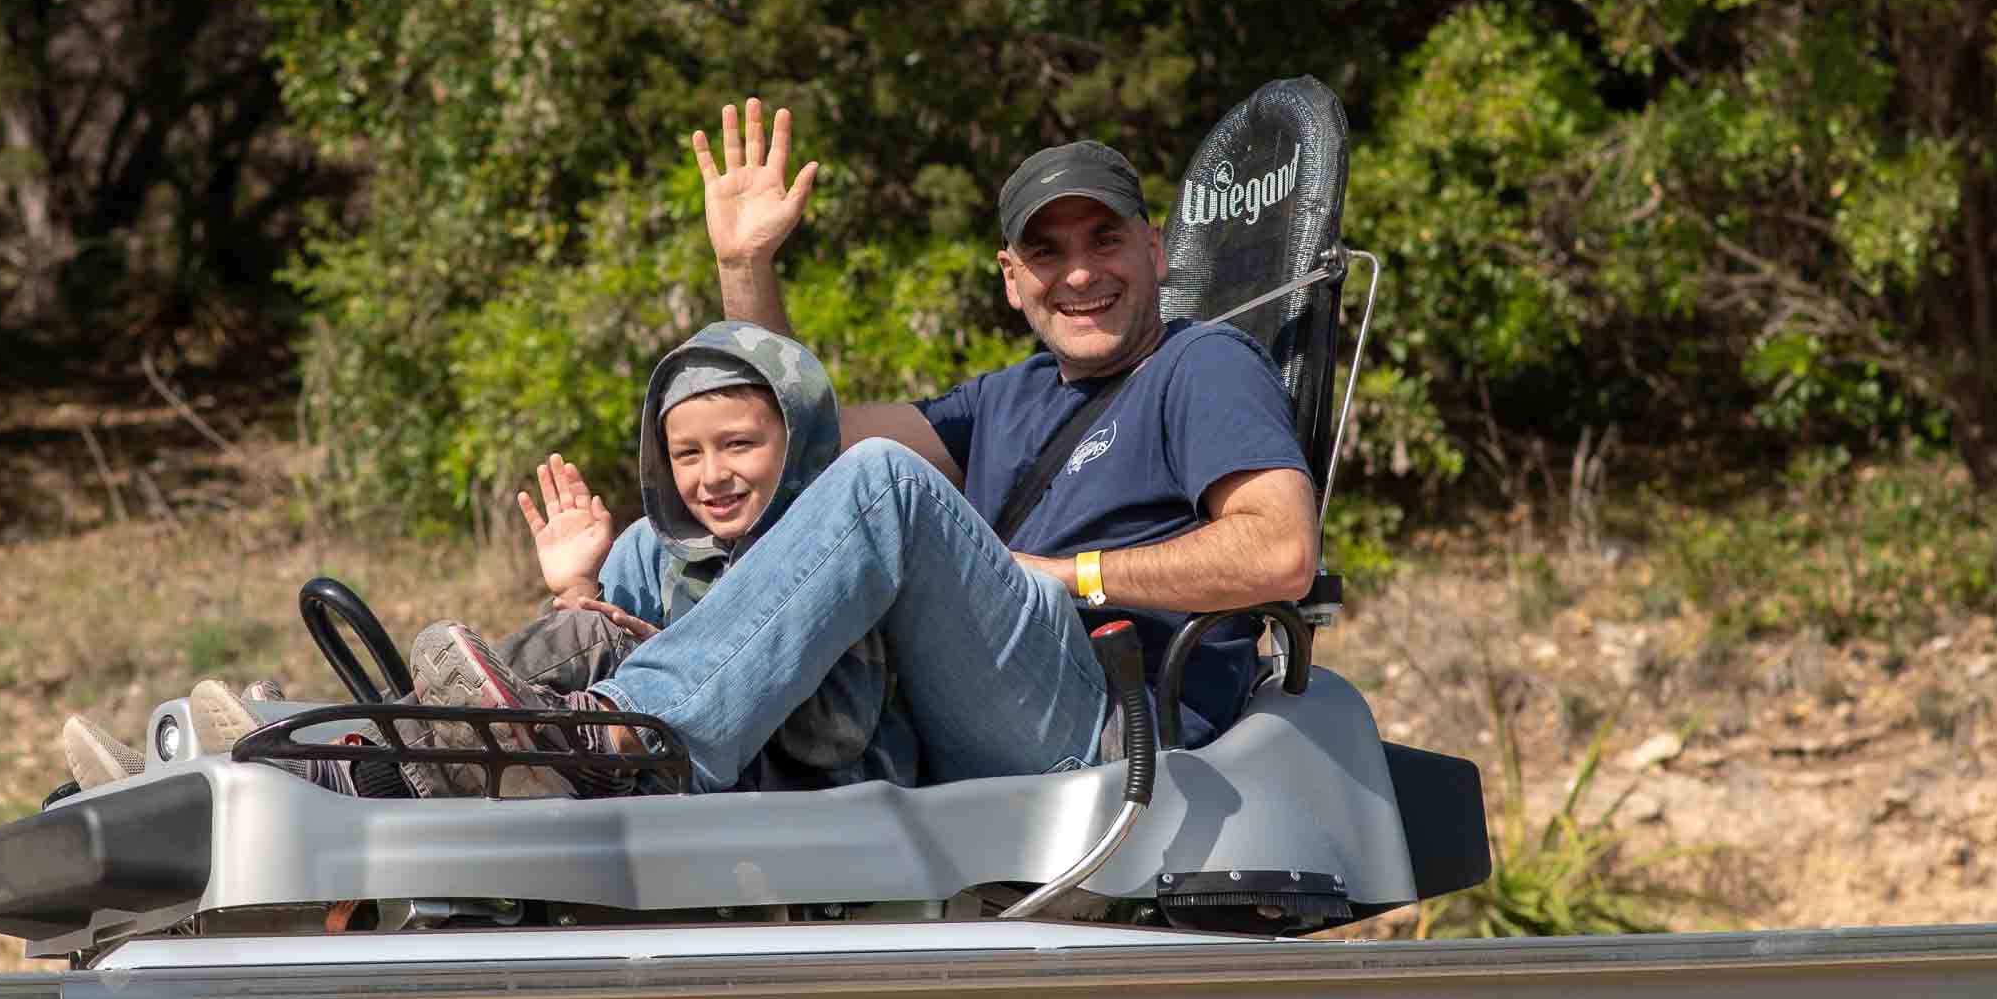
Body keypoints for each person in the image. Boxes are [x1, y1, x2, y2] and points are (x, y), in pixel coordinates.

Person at [402, 96, 1319, 793]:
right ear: (1011, 279)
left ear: (1154, 251)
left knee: (885, 482)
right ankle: (419, 749)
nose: (1079, 272)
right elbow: (795, 444)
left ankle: (625, 737)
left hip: (1110, 719)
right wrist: (744, 267)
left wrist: (1069, 575)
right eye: (1047, 253)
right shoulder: (1012, 395)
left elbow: (1280, 550)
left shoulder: (1203, 365)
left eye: (1104, 240)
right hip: (982, 693)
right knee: (667, 531)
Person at [58, 319, 912, 797]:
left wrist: (632, 639)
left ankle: (320, 756)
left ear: (795, 441)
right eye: (686, 454)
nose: (712, 476)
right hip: (630, 771)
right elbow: (587, 681)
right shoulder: (657, 549)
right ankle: (229, 771)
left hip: (773, 790)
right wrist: (580, 584)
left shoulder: (828, 553)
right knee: (569, 640)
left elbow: (835, 734)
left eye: (740, 445)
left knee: (580, 646)